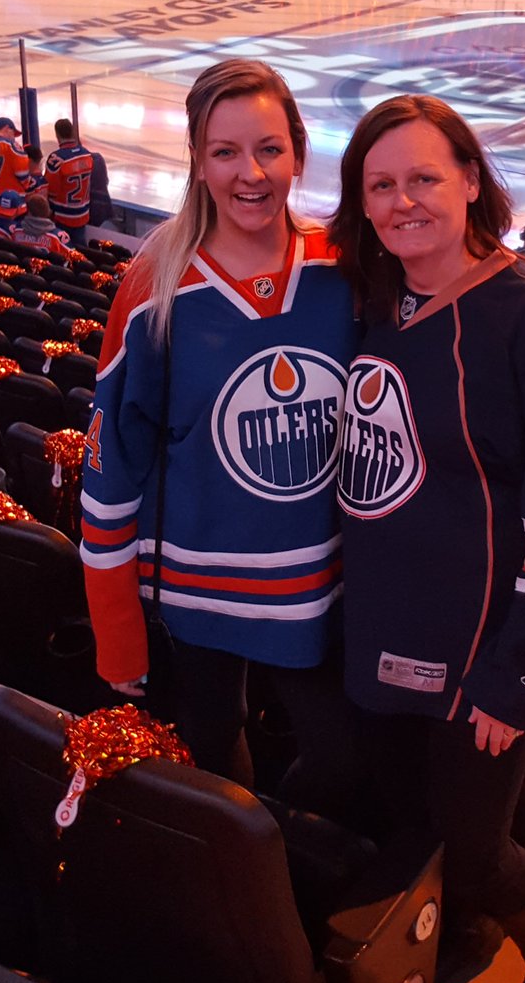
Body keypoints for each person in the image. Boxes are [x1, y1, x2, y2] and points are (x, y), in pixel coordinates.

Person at [329, 94, 525, 983]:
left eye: (423, 177)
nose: (402, 199)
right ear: (359, 202)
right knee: (408, 809)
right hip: (379, 625)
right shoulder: (373, 298)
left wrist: (517, 671)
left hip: (481, 649)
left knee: (480, 846)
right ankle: (466, 926)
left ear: (470, 182)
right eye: (380, 184)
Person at [80, 59, 359, 809]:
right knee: (213, 743)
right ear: (198, 162)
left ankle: (287, 848)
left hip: (322, 586)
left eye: (269, 149)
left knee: (341, 756)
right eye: (225, 152)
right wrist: (116, 629)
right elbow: (112, 466)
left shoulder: (348, 268)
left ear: (298, 151)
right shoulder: (154, 286)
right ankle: (251, 879)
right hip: (197, 587)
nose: (250, 174)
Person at [45, 118, 93, 246]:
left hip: (63, 216)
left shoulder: (56, 159)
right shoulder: (87, 155)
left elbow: (50, 190)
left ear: (57, 135)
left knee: (63, 254)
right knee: (80, 254)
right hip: (82, 214)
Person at [9, 193, 74, 259]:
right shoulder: (58, 237)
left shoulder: (16, 231)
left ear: (28, 212)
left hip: (23, 267)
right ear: (48, 212)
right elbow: (74, 258)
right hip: (49, 268)